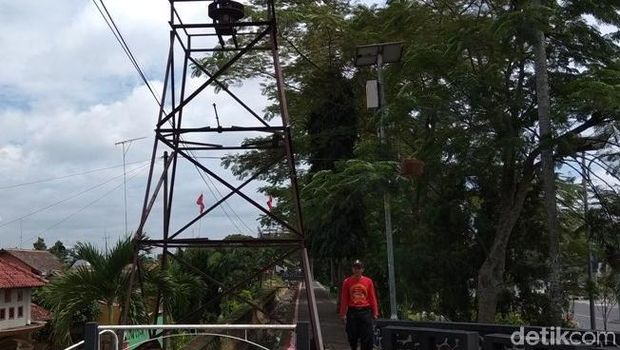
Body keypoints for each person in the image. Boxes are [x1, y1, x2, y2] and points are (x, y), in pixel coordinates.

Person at [339, 259, 379, 350]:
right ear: (352, 269)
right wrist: (342, 314)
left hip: (365, 311)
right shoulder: (347, 282)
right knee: (352, 336)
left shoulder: (368, 281)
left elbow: (372, 297)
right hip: (352, 312)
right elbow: (344, 298)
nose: (357, 270)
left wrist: (375, 312)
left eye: (359, 268)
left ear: (362, 269)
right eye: (355, 268)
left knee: (366, 336)